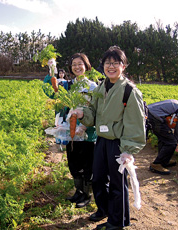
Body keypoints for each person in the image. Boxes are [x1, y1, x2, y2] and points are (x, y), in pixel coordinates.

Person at [72, 46, 146, 229]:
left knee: (117, 184)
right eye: (107, 63)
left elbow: (135, 124)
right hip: (102, 141)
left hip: (119, 144)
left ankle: (117, 222)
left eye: (115, 63)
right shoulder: (100, 87)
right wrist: (82, 114)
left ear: (123, 66)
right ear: (103, 66)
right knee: (97, 179)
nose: (111, 66)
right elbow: (93, 113)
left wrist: (128, 150)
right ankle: (103, 209)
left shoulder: (130, 91)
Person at [65, 53, 97, 208]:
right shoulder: (70, 85)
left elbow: (95, 109)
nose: (77, 67)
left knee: (86, 163)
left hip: (86, 131)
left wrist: (84, 126)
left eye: (80, 64)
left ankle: (86, 195)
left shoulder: (92, 86)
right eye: (74, 64)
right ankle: (78, 191)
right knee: (73, 162)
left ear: (86, 66)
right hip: (71, 130)